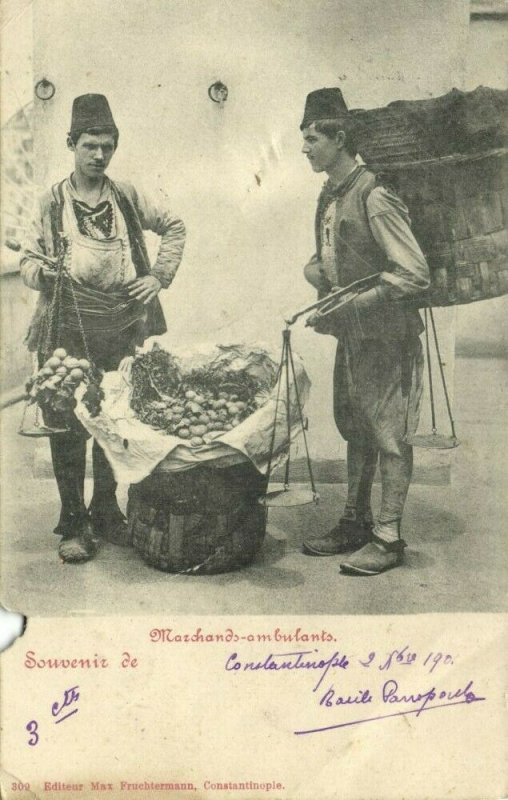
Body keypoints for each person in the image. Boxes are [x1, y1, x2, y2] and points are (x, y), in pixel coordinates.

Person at [20, 93, 186, 564]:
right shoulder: (51, 202)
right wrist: (43, 273)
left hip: (118, 325)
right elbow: (27, 259)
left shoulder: (127, 195)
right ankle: (74, 521)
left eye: (107, 146)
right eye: (90, 145)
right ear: (71, 144)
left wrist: (157, 277)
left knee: (112, 418)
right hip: (64, 329)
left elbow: (174, 225)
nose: (98, 155)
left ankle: (106, 510)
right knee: (67, 423)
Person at [300, 88, 430, 575]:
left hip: (385, 335)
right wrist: (317, 274)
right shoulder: (330, 194)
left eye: (313, 138)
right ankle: (355, 521)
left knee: (389, 435)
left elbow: (414, 272)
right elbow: (333, 257)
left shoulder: (374, 194)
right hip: (353, 334)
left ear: (339, 137)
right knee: (356, 428)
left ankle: (389, 537)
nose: (305, 148)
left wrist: (356, 300)